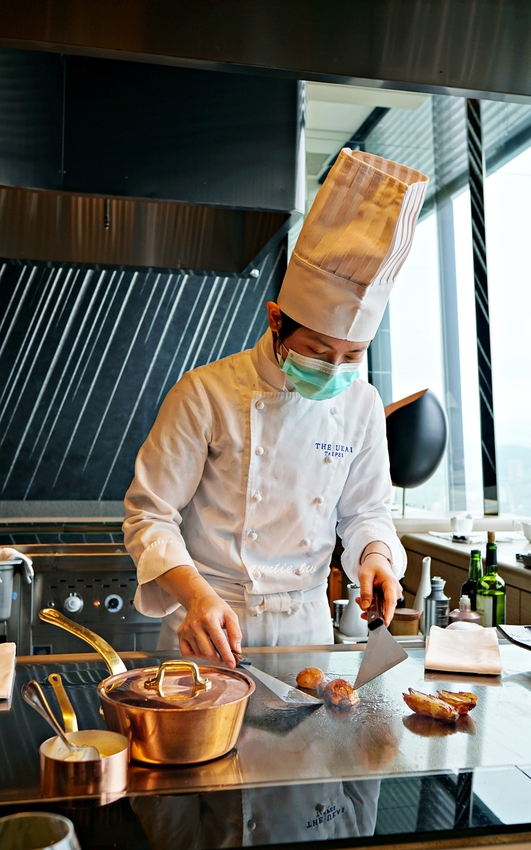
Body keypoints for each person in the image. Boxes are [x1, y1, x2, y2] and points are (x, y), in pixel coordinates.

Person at [123, 149, 428, 665]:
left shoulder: (362, 403)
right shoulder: (205, 393)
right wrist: (196, 597)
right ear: (276, 321)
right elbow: (150, 515)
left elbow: (366, 512)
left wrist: (376, 555)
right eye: (318, 352)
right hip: (211, 620)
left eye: (352, 356)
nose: (334, 369)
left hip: (307, 628)